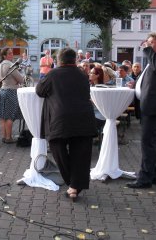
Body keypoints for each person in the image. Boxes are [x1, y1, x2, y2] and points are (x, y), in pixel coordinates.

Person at [36, 48, 97, 200]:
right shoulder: (83, 75)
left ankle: (72, 183)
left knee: (58, 148)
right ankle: (75, 185)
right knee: (81, 154)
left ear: (59, 60)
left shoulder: (53, 74)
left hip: (61, 119)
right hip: (83, 118)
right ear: (74, 60)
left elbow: (40, 90)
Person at [127, 33, 156, 189]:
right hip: (151, 106)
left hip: (154, 107)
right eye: (148, 42)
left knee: (148, 143)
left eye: (152, 42)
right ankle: (155, 174)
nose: (148, 45)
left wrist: (148, 51)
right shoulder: (154, 58)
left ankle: (145, 178)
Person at [0, 48, 24, 143]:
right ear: (4, 55)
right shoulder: (10, 65)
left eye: (12, 53)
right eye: (9, 53)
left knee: (3, 116)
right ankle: (9, 138)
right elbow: (21, 79)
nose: (12, 55)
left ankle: (4, 136)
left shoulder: (0, 65)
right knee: (10, 116)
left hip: (3, 90)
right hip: (11, 91)